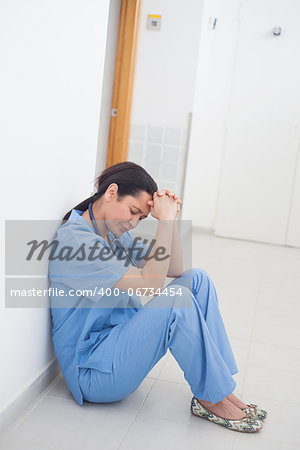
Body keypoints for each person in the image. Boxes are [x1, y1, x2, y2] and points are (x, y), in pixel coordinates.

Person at [49, 161, 267, 433]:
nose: (133, 223)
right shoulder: (77, 242)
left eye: (141, 218)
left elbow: (174, 269)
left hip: (117, 347)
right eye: (132, 211)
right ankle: (212, 397)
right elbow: (151, 285)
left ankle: (221, 389)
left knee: (197, 279)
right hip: (93, 373)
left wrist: (170, 221)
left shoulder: (112, 232)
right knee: (177, 300)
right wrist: (162, 221)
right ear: (111, 192)